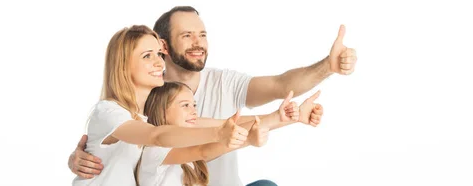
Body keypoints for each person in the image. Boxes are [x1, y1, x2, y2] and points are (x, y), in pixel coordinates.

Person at [69, 6, 356, 186]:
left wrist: (287, 116)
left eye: (202, 34)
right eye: (187, 36)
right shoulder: (150, 106)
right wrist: (79, 157)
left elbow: (277, 88)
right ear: (165, 45)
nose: (199, 43)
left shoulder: (219, 84)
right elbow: (159, 136)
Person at [72, 25, 252, 186]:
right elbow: (156, 136)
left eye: (159, 54)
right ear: (123, 65)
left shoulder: (147, 116)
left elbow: (213, 123)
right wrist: (218, 134)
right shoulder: (109, 111)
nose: (160, 62)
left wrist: (275, 118)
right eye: (147, 56)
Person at [137, 82, 323, 186]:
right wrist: (249, 139)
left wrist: (288, 117)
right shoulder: (154, 149)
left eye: (194, 105)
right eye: (185, 105)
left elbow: (235, 126)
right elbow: (204, 150)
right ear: (161, 112)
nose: (193, 110)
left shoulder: (189, 146)